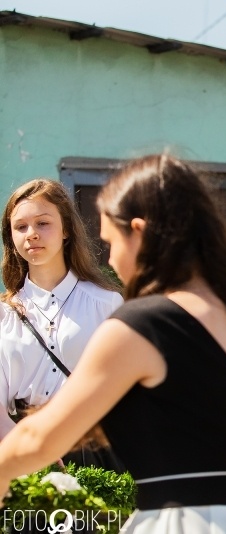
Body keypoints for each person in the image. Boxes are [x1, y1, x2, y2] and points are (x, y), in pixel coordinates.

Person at [0, 155, 226, 533]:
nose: (110, 258)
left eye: (111, 242)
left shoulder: (141, 325)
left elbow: (40, 438)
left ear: (139, 233)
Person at [0, 179, 122, 465]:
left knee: (95, 514)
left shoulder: (106, 303)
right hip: (20, 447)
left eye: (43, 223)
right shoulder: (3, 314)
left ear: (66, 230)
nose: (31, 234)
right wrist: (21, 451)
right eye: (20, 227)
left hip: (94, 453)